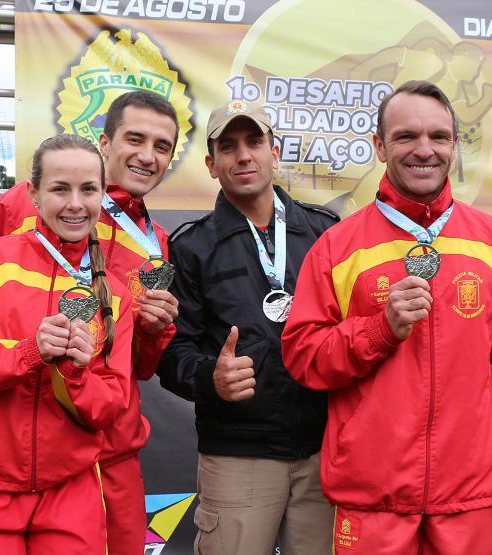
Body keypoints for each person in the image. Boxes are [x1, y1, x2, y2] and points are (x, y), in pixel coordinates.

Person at [281, 80, 492, 554]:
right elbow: (304, 357)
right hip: (373, 501)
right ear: (380, 147)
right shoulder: (339, 247)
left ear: (454, 145)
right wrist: (379, 329)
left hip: (470, 499)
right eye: (406, 136)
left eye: (438, 137)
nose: (423, 150)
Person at [0, 90, 181, 555]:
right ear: (106, 143)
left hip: (111, 449)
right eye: (136, 139)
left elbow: (139, 366)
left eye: (162, 146)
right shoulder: (22, 203)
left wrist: (155, 331)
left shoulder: (157, 245)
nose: (147, 156)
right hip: (17, 450)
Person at [0, 134, 135, 553]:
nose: (75, 203)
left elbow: (111, 404)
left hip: (71, 489)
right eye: (60, 188)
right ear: (34, 195)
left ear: (101, 196)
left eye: (88, 189)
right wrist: (27, 353)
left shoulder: (114, 292)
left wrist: (75, 375)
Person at [157, 102, 337, 554]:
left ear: (274, 153)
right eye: (228, 146)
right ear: (211, 164)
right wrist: (209, 379)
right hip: (239, 456)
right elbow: (172, 351)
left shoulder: (326, 233)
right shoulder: (191, 247)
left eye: (254, 142)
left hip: (323, 452)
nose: (243, 156)